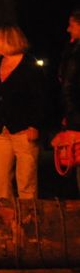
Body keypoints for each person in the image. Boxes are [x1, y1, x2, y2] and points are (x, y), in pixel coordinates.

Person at [0, 25, 46, 200]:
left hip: (23, 130)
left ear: (7, 40)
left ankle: (27, 220)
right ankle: (6, 220)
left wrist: (35, 124)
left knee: (26, 182)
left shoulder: (29, 65)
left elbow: (40, 98)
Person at [60, 10, 80, 193]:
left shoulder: (75, 54)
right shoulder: (72, 51)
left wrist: (71, 114)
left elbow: (69, 86)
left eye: (72, 25)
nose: (68, 29)